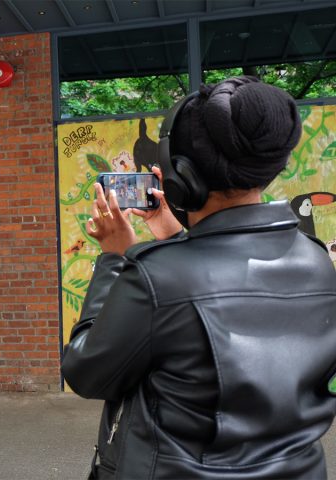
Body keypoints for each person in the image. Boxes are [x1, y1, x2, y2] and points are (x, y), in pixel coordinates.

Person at [61, 76, 336, 479]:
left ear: (180, 173)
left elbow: (86, 371)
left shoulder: (158, 277)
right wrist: (175, 237)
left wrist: (115, 258)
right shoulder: (317, 263)